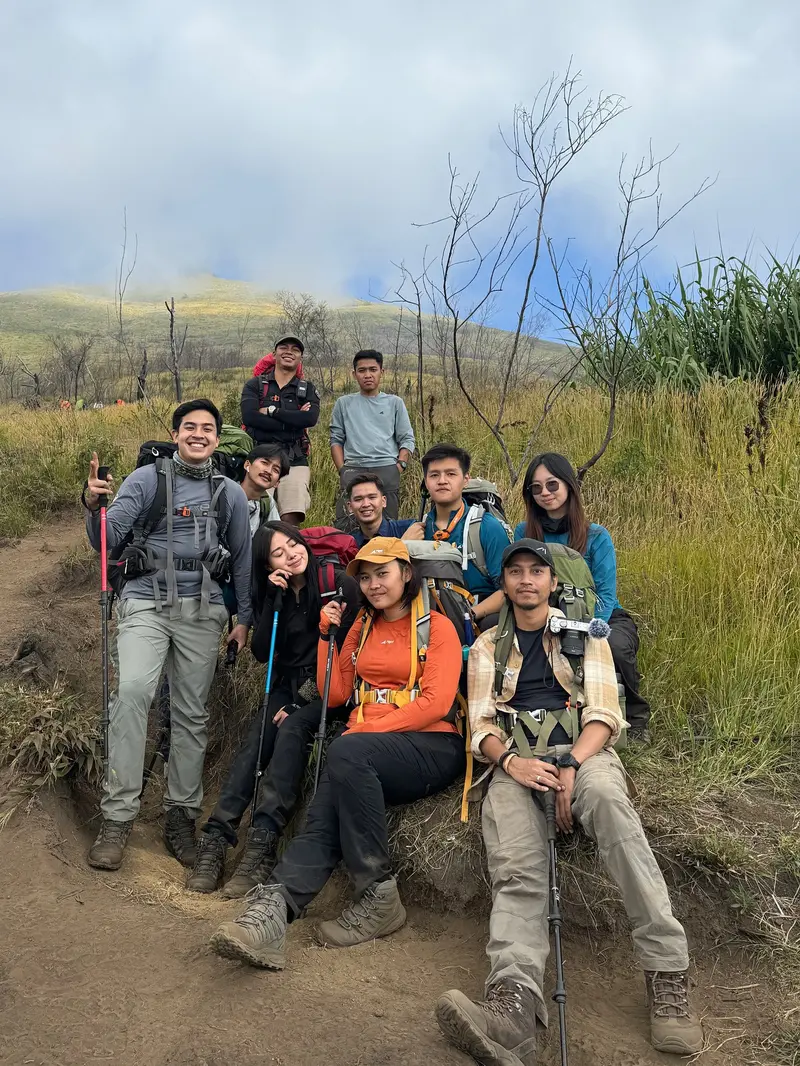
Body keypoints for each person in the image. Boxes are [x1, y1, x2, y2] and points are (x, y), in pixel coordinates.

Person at [435, 540, 703, 1061]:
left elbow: (604, 715)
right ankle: (512, 1007)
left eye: (538, 571)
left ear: (553, 583)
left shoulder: (586, 636)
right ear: (506, 584)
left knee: (611, 811)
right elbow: (482, 724)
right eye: (515, 572)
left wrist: (571, 767)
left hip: (584, 757)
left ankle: (667, 971)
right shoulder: (488, 645)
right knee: (517, 868)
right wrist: (512, 763)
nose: (527, 580)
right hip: (517, 766)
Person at [208, 537, 466, 969]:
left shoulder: (437, 628)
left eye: (382, 574)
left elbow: (436, 704)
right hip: (364, 751)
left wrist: (363, 733)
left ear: (406, 574)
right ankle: (272, 911)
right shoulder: (361, 626)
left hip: (432, 744)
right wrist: (328, 636)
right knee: (319, 821)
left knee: (346, 751)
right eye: (364, 577)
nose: (372, 584)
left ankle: (378, 891)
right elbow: (335, 694)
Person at [82, 399, 252, 872]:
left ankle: (181, 818)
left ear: (217, 439)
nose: (199, 434)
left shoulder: (229, 493)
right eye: (190, 427)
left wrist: (244, 619)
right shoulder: (145, 480)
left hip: (204, 609)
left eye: (208, 429)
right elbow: (106, 540)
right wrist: (93, 503)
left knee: (191, 713)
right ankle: (117, 818)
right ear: (175, 433)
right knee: (134, 692)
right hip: (145, 600)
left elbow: (240, 560)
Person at [187, 522, 360, 898]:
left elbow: (350, 653)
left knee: (290, 734)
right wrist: (271, 599)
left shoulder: (337, 583)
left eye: (293, 544)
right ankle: (217, 835)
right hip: (287, 684)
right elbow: (262, 652)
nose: (292, 554)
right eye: (278, 554)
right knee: (257, 739)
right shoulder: (276, 592)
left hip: (330, 688)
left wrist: (303, 701)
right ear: (268, 566)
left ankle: (263, 842)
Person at [516, 452, 650, 739]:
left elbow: (606, 593)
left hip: (601, 615)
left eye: (552, 485)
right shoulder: (523, 533)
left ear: (568, 486)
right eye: (536, 488)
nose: (545, 493)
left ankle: (634, 716)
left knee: (613, 646)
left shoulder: (596, 536)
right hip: (544, 614)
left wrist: (589, 629)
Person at [421, 443, 509, 626]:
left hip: (479, 619)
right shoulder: (418, 530)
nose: (442, 480)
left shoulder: (486, 527)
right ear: (426, 481)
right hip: (429, 620)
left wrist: (470, 616)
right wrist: (403, 545)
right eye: (434, 475)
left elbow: (508, 589)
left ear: (465, 479)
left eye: (451, 474)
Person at [240, 337, 320, 525]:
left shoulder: (306, 388)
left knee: (291, 515)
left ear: (300, 357)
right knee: (253, 510)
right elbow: (250, 418)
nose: (289, 351)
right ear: (274, 354)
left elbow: (309, 419)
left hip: (295, 458)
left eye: (295, 349)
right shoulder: (255, 385)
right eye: (283, 347)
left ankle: (282, 550)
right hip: (260, 454)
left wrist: (271, 411)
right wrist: (293, 420)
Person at [330, 350, 415, 521]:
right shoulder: (344, 403)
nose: (367, 375)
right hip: (353, 468)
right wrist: (343, 470)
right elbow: (336, 439)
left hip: (386, 469)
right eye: (362, 370)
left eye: (373, 369)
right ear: (354, 374)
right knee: (347, 525)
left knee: (387, 525)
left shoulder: (394, 403)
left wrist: (399, 466)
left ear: (382, 372)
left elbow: (406, 438)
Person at [345, 472, 420, 547]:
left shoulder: (408, 529)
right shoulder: (348, 544)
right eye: (358, 499)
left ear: (383, 501)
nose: (366, 504)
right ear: (350, 507)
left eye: (372, 497)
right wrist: (401, 546)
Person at [240, 443, 288, 533]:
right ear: (247, 465)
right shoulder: (226, 493)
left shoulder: (267, 503)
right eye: (265, 463)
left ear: (277, 483)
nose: (268, 471)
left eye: (276, 470)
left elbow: (276, 537)